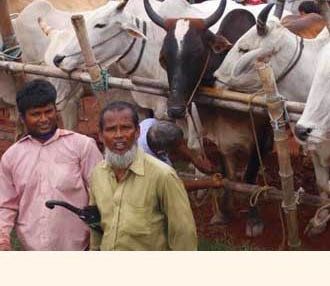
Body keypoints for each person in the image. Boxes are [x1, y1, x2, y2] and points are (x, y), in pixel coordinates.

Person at [0, 80, 103, 251]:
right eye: (36, 114)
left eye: (49, 111)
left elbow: (101, 194)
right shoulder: (12, 157)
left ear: (56, 110)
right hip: (32, 251)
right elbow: (5, 205)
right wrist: (3, 240)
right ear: (22, 118)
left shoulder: (82, 146)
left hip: (81, 249)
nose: (44, 119)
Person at [89, 101, 197, 250]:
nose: (119, 135)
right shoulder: (98, 174)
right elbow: (96, 226)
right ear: (100, 135)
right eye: (111, 129)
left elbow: (183, 233)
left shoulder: (163, 176)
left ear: (138, 132)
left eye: (126, 128)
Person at [137, 118, 213, 173]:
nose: (182, 146)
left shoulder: (150, 123)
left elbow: (179, 142)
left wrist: (195, 160)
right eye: (176, 146)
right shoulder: (154, 164)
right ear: (163, 152)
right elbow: (175, 184)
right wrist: (214, 183)